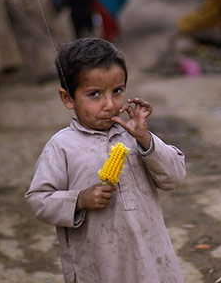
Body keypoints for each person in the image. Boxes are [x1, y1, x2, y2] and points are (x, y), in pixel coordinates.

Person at [25, 37, 186, 283]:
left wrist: (145, 139)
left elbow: (175, 177)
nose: (109, 104)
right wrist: (79, 199)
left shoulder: (134, 134)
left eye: (117, 91)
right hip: (100, 264)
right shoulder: (62, 146)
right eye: (94, 94)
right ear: (68, 98)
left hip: (150, 260)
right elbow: (38, 199)